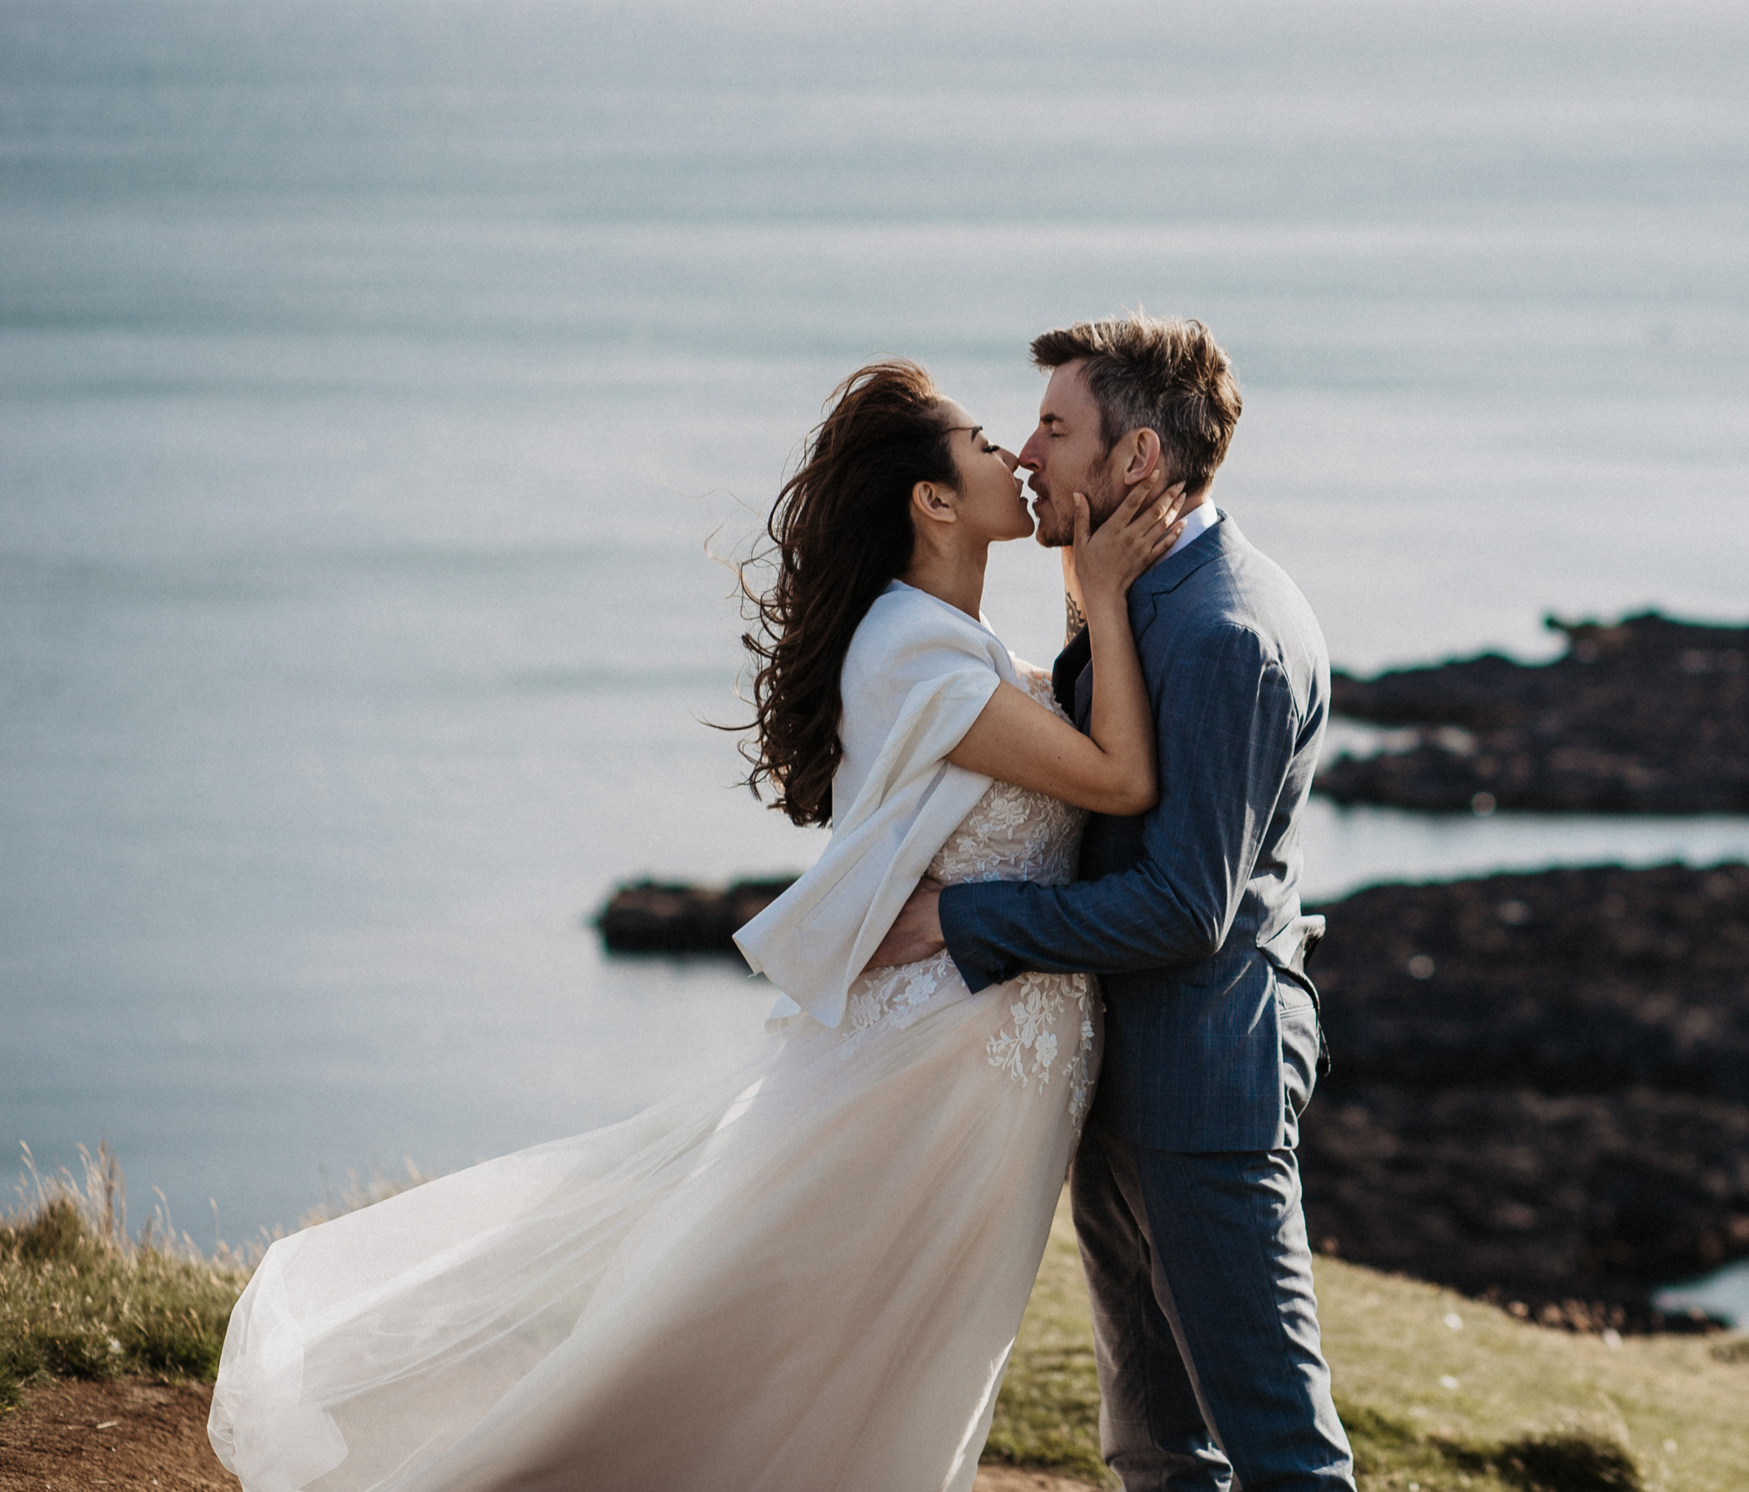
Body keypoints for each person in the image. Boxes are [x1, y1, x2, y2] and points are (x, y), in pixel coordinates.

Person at [208, 357, 1183, 1492]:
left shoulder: (945, 636)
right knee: (822, 1337)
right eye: (981, 440)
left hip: (991, 1048)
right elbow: (1117, 779)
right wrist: (1102, 586)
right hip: (941, 1054)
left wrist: (1081, 570)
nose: (1015, 453)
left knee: (905, 1343)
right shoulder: (917, 649)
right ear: (929, 497)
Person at [868, 313, 1356, 1492]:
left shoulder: (1223, 628)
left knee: (1281, 1453)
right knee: (1153, 1446)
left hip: (1203, 1084)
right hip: (1129, 1070)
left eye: (1052, 426)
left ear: (1135, 459)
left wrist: (959, 915)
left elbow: (1185, 906)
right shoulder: (1143, 591)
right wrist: (1094, 598)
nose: (1026, 453)